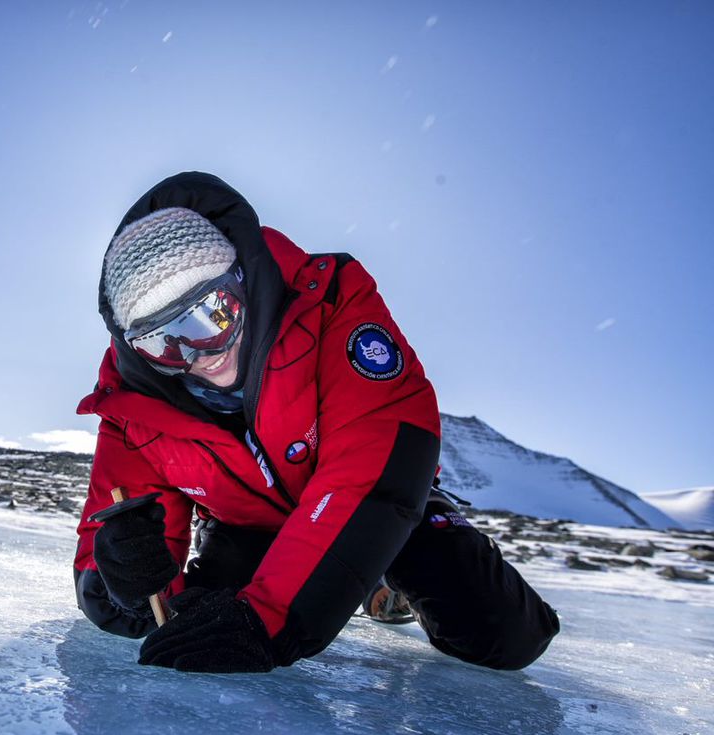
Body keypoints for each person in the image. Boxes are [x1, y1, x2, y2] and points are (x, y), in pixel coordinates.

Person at [72, 171, 560, 673]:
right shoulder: (134, 404)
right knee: (196, 619)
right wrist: (123, 581)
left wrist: (271, 623)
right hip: (247, 527)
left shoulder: (329, 303)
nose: (199, 354)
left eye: (212, 315)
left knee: (503, 636)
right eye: (163, 342)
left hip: (374, 505)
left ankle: (379, 575)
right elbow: (110, 568)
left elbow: (373, 475)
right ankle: (348, 577)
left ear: (242, 277)